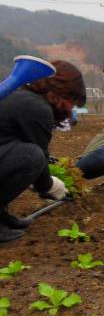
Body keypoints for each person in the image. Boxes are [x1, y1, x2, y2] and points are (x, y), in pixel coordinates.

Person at [0, 60, 86, 243]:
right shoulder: (39, 109)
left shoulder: (25, 97)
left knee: (31, 156)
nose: (72, 109)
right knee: (31, 157)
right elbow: (37, 158)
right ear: (63, 95)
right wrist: (51, 186)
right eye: (73, 102)